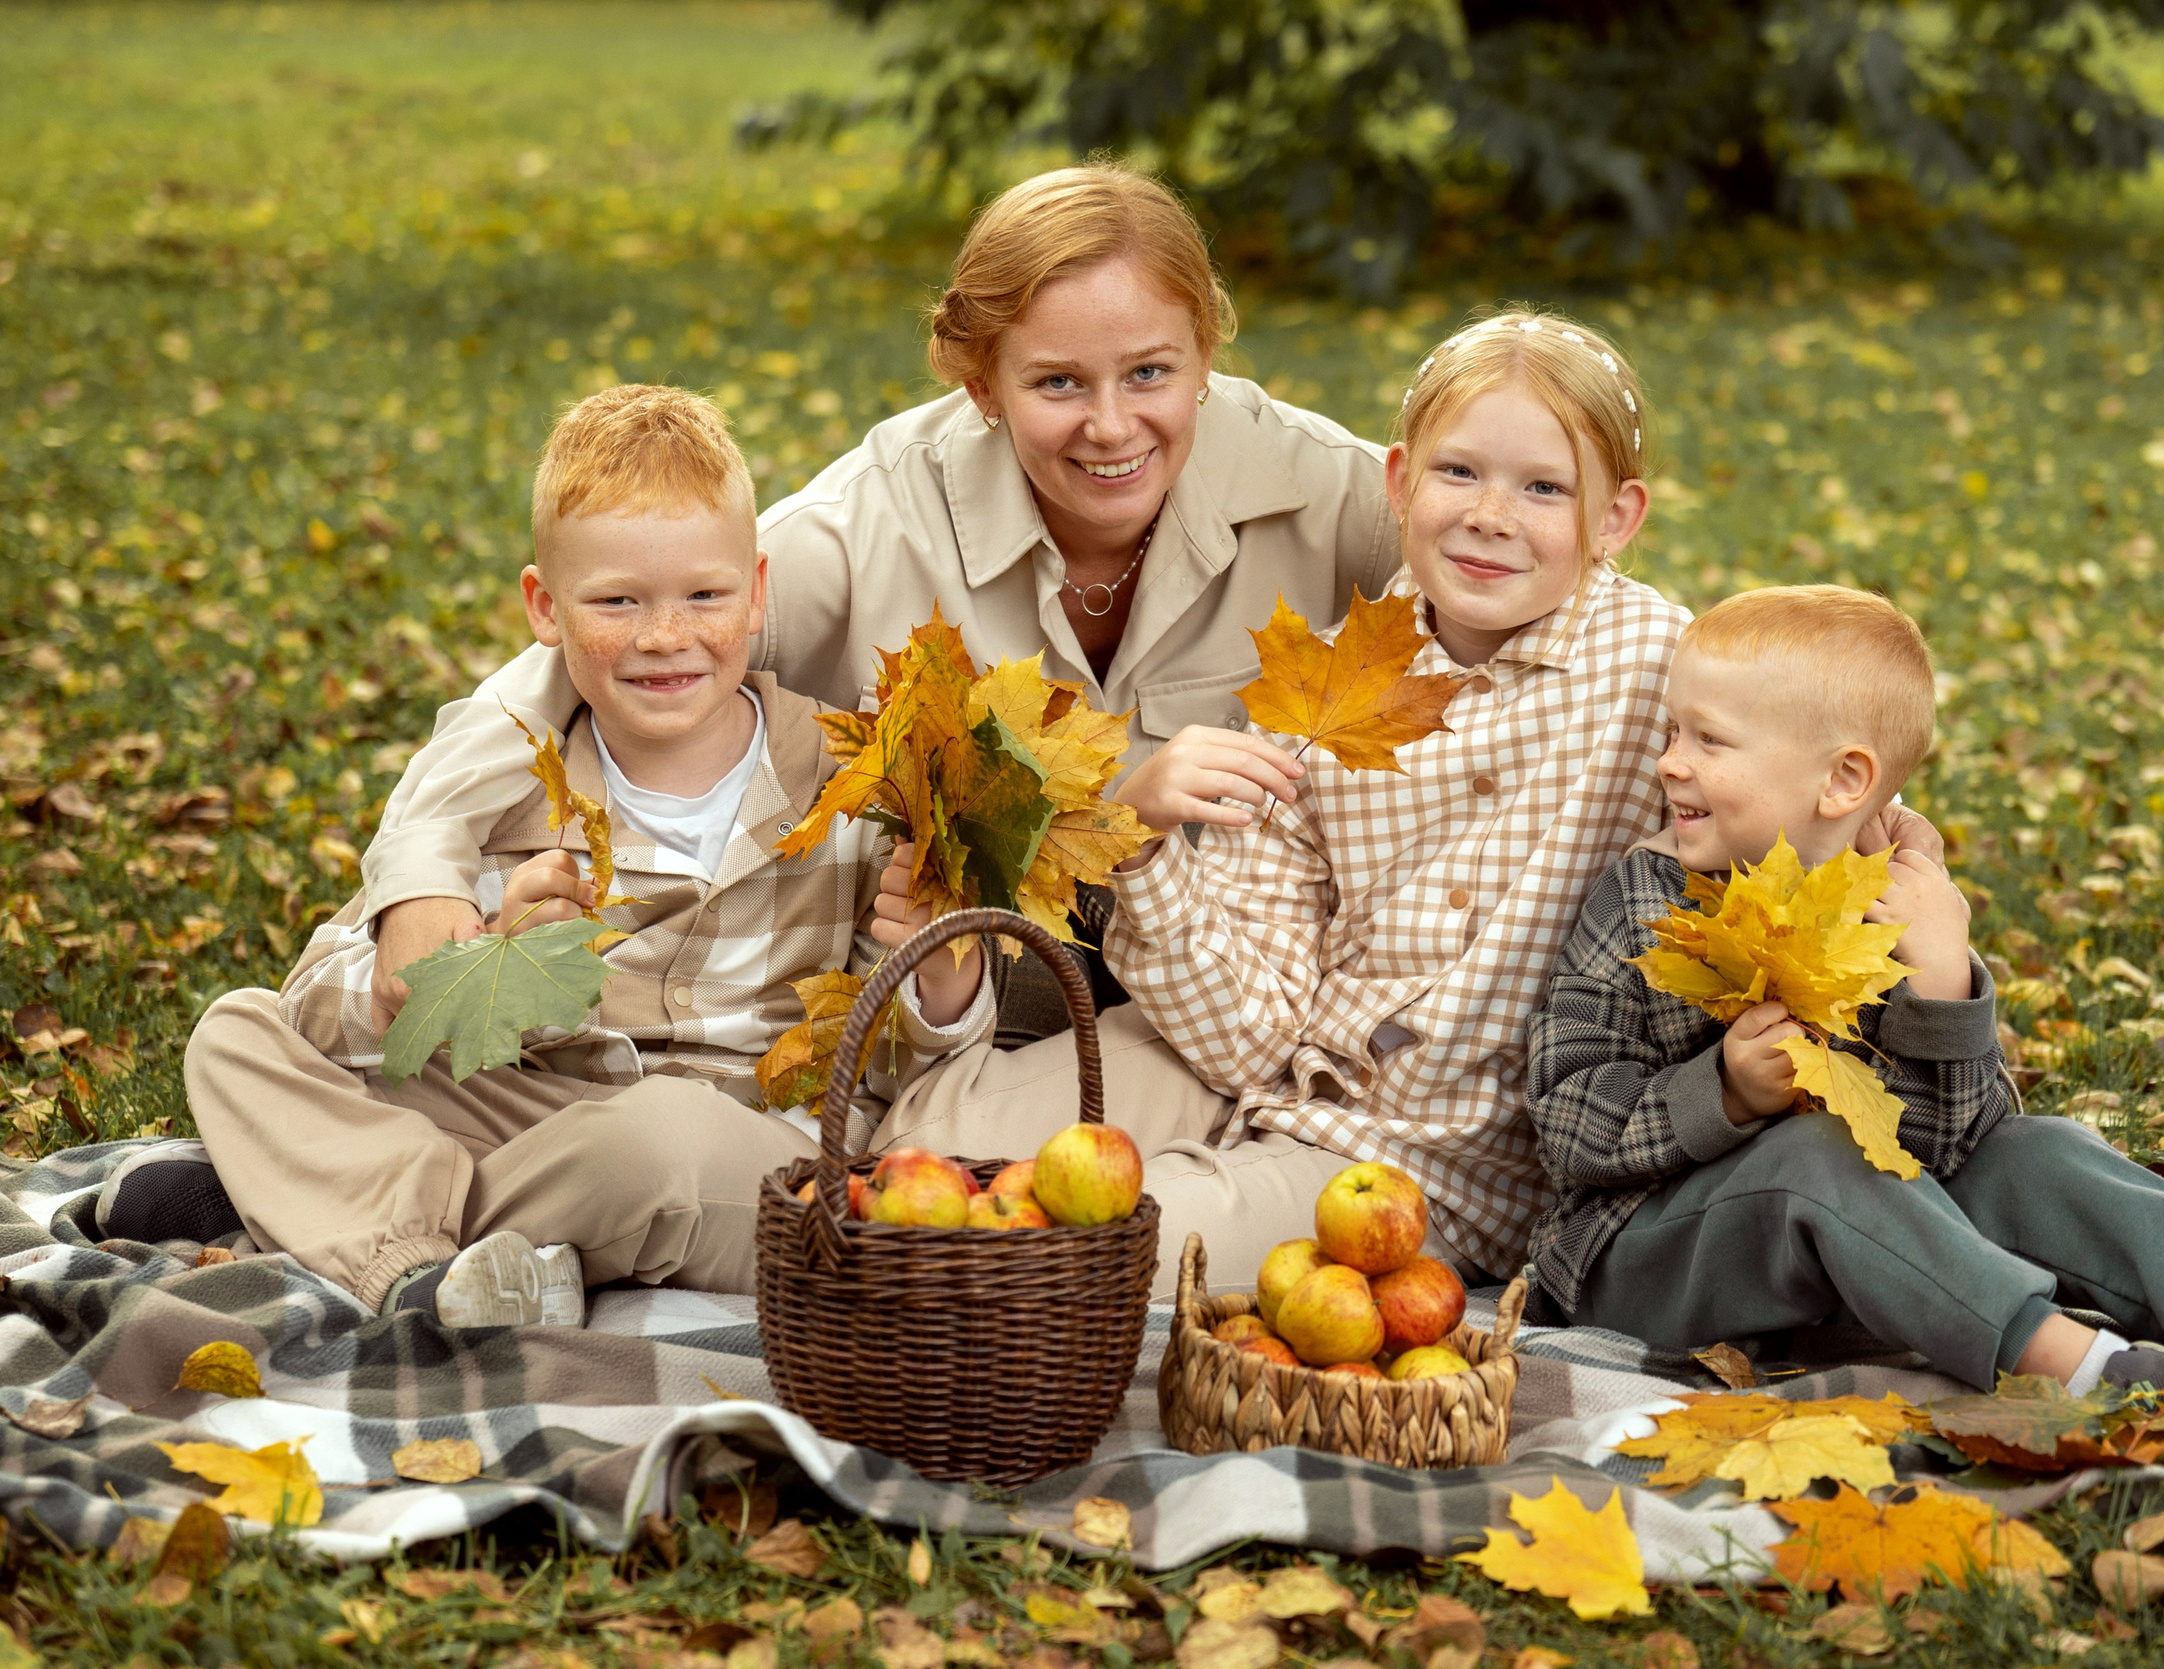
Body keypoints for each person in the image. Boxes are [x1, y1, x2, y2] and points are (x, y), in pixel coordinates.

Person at [356, 164, 1402, 1044]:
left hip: (1249, 998)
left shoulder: (1324, 490)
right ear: (980, 385)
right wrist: (420, 877)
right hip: (972, 1014)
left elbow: (1497, 547)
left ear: (1205, 355)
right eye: (1056, 384)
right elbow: (609, 647)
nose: (1111, 425)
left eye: (1150, 373)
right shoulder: (873, 522)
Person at [101, 387, 991, 1326]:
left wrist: (938, 983)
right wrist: (481, 969)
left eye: (706, 595)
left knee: (655, 1145)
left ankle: (344, 1208)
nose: (665, 636)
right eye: (616, 601)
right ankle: (444, 1259)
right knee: (237, 1035)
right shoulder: (510, 781)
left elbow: (895, 1070)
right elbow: (316, 1011)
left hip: (734, 1149)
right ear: (545, 608)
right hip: (534, 1115)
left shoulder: (851, 784)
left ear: (758, 591)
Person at [1522, 584, 2164, 1432]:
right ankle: (2102, 1377)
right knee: (1814, 1157)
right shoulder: (1643, 900)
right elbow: (1564, 1119)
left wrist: (1943, 984)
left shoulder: (1889, 900)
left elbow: (1954, 1145)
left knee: (2038, 1152)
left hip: (1849, 1258)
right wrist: (1725, 1092)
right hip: (1641, 1259)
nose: (1670, 762)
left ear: (1844, 781)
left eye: (1708, 740)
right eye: (1673, 732)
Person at [866, 310, 1696, 1294]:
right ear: (1399, 482)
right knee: (918, 1152)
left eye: (1543, 488)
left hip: (1421, 1159)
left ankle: (1021, 1284)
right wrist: (1140, 848)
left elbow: (1800, 773)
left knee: (1089, 1242)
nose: (1490, 514)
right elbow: (1249, 1038)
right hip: (1263, 1072)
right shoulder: (1322, 697)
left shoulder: (1662, 672)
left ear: (1616, 519)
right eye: (1459, 472)